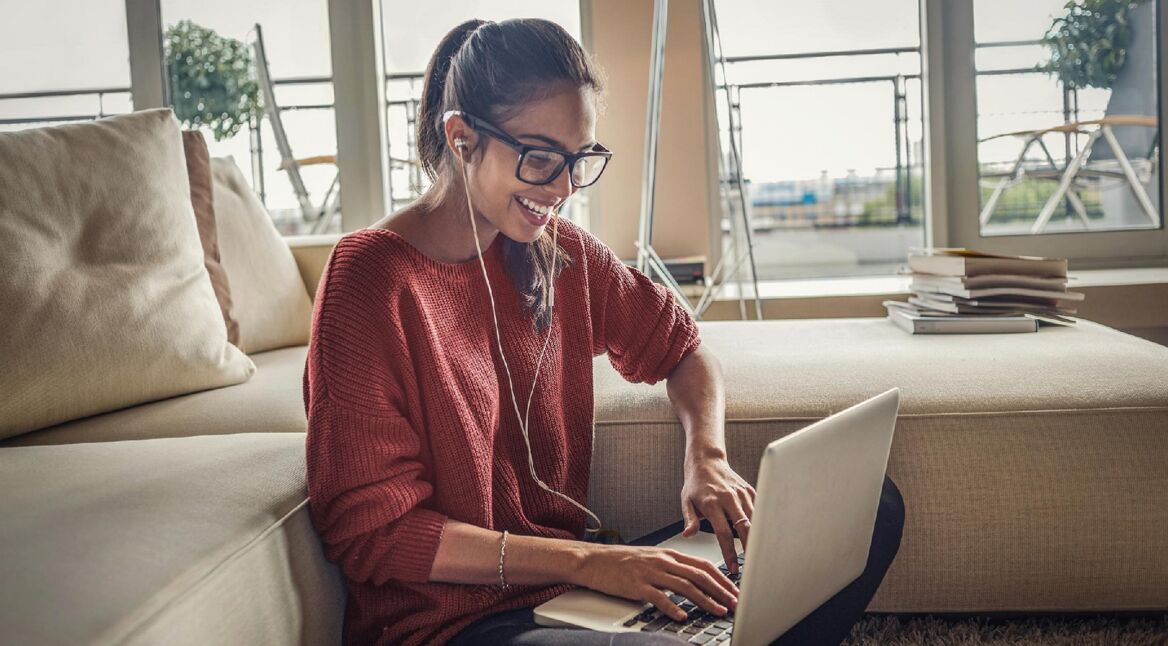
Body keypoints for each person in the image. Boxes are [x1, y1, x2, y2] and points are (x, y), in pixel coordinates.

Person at [303, 17, 903, 646]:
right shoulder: (369, 279)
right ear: (461, 138)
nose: (562, 188)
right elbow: (373, 534)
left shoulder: (560, 252)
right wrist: (592, 563)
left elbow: (683, 347)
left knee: (864, 508)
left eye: (578, 160)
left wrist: (709, 458)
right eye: (540, 159)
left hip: (574, 594)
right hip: (456, 627)